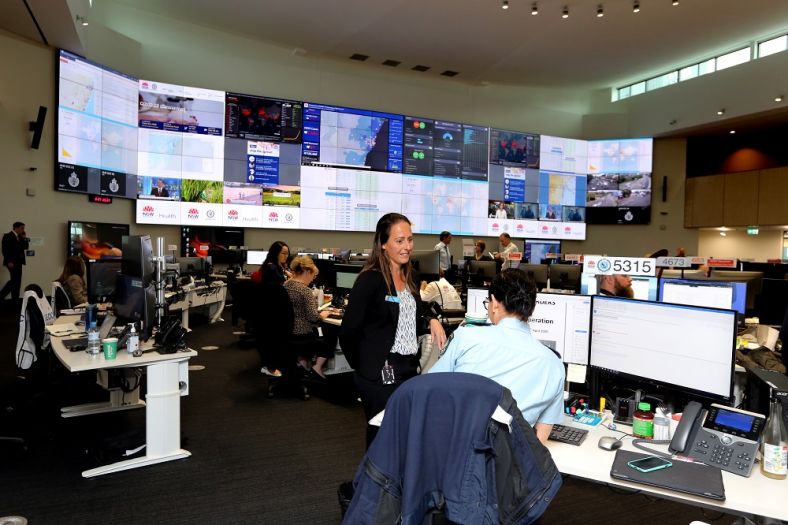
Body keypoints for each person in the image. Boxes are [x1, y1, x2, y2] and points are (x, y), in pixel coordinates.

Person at [339, 213, 447, 447]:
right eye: (399, 241)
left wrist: (431, 319)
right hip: (379, 373)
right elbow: (348, 331)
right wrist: (366, 367)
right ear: (383, 244)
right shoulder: (371, 280)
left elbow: (413, 315)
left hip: (407, 369)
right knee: (382, 439)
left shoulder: (410, 276)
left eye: (410, 239)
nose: (407, 247)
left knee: (404, 437)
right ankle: (370, 484)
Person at [428, 270, 565, 444]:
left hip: (456, 456)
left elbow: (428, 390)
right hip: (510, 467)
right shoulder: (554, 365)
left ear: (494, 303)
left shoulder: (465, 338)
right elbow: (539, 444)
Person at [284, 256, 332, 379]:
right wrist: (323, 314)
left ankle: (302, 363)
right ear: (307, 271)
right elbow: (313, 317)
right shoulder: (305, 291)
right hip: (302, 333)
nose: (313, 279)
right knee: (331, 336)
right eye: (313, 275)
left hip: (287, 331)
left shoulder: (286, 284)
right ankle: (317, 367)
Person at [1, 221, 28, 303]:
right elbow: (5, 250)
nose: (23, 230)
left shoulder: (20, 237)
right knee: (14, 281)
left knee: (17, 281)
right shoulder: (7, 236)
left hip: (19, 262)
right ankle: (1, 295)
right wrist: (9, 261)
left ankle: (15, 299)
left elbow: (26, 247)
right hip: (11, 262)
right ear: (16, 228)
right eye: (22, 228)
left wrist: (24, 238)